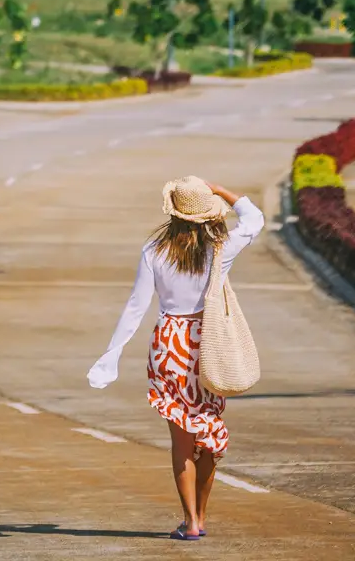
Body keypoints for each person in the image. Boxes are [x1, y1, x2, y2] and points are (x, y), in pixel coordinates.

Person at [88, 175, 265, 541]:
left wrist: (113, 353)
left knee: (182, 441)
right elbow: (254, 219)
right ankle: (200, 514)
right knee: (207, 434)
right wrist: (220, 191)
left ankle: (191, 521)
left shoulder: (154, 251)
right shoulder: (221, 249)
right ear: (207, 215)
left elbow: (136, 307)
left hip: (169, 345)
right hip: (206, 345)